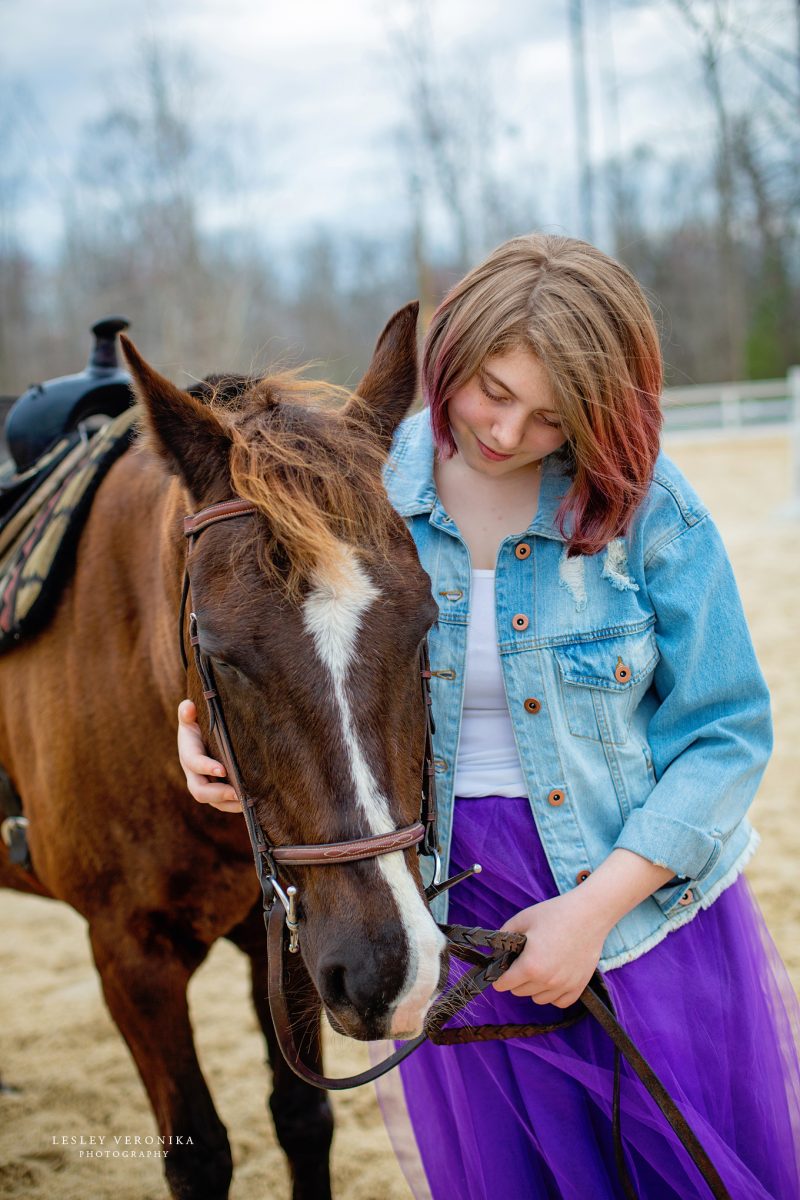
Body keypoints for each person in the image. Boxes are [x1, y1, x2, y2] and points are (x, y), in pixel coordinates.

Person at [177, 234, 800, 1198]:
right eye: (492, 392)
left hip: (633, 913)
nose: (507, 434)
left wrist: (591, 916)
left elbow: (726, 732)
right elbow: (275, 659)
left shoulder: (647, 508)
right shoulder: (358, 490)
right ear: (451, 355)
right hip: (451, 920)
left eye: (552, 418)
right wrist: (201, 739)